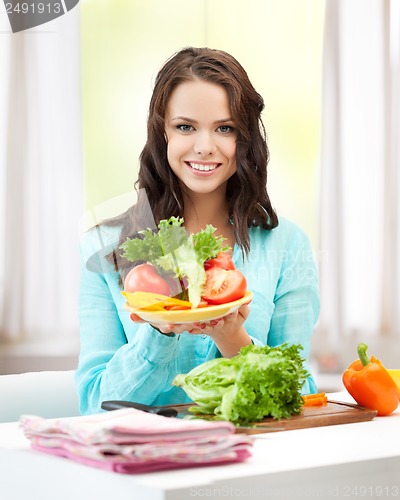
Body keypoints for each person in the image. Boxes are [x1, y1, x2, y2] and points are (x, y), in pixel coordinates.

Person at [75, 47, 320, 415]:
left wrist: (232, 337)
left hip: (255, 461)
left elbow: (301, 397)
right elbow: (94, 405)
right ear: (163, 133)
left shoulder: (288, 245)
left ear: (246, 138)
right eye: (185, 127)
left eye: (225, 128)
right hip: (143, 465)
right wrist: (159, 334)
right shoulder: (104, 246)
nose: (205, 147)